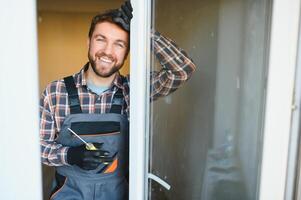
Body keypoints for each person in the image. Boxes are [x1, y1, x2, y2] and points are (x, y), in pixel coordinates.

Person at [39, 1, 196, 200]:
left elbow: (183, 69)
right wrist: (70, 155)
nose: (107, 51)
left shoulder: (136, 90)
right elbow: (37, 145)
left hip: (116, 193)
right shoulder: (56, 92)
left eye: (119, 44)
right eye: (101, 39)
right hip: (69, 192)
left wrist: (144, 30)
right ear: (88, 42)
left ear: (127, 52)